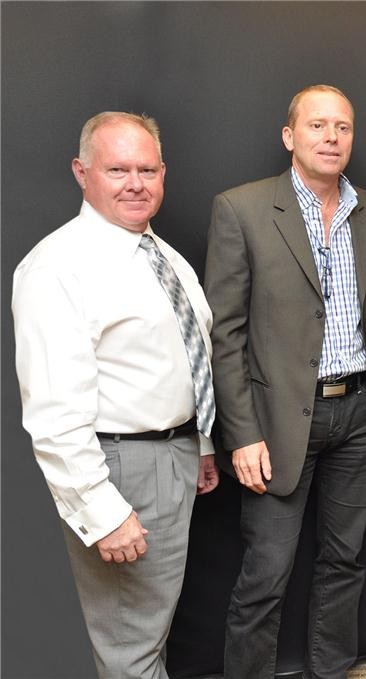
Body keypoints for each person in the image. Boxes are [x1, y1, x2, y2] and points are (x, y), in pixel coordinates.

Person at [11, 111, 220, 679]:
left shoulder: (163, 256)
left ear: (164, 174)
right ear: (82, 172)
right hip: (119, 468)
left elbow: (183, 357)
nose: (136, 183)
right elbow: (54, 414)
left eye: (147, 169)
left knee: (150, 629)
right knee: (130, 643)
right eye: (118, 169)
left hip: (171, 456)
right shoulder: (58, 267)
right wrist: (100, 512)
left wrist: (198, 443)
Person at [204, 84, 366, 678]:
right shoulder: (242, 209)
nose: (331, 138)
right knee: (266, 572)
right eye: (317, 126)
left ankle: (331, 670)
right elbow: (224, 334)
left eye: (342, 127)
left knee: (345, 562)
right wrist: (242, 435)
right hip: (277, 421)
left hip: (358, 414)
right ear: (290, 137)